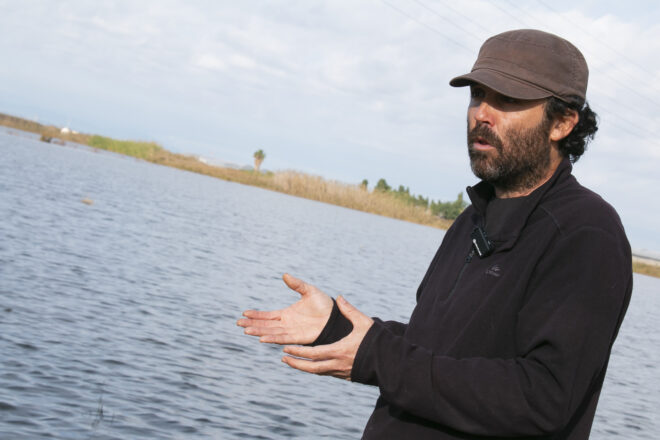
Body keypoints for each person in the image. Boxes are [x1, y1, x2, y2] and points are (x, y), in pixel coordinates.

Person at [237, 29, 632, 439]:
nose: (482, 113)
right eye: (478, 94)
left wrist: (376, 357)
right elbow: (439, 350)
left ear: (563, 122)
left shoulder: (586, 234)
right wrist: (339, 331)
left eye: (508, 100)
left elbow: (542, 398)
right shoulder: (474, 218)